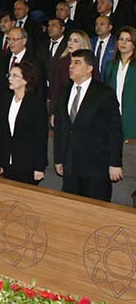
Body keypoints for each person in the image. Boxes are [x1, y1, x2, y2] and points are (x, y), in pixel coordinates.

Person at [54, 49, 123, 202]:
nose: (71, 66)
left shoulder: (104, 93)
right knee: (71, 210)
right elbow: (60, 129)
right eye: (71, 62)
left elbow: (115, 129)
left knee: (96, 212)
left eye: (77, 63)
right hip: (70, 165)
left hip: (96, 167)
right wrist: (59, 158)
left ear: (90, 68)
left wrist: (115, 162)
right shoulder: (63, 92)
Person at [0, 62, 48, 184]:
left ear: (25, 80)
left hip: (28, 164)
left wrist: (39, 167)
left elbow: (40, 137)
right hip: (8, 162)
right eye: (10, 75)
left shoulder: (36, 103)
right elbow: (2, 132)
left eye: (15, 76)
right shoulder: (6, 100)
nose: (10, 78)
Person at [104, 27, 136, 206]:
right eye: (121, 39)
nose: (123, 43)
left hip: (132, 123)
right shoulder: (111, 65)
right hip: (113, 122)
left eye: (128, 39)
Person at [48, 30, 95, 117]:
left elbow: (95, 85)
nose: (70, 43)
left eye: (75, 41)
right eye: (70, 40)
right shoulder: (61, 62)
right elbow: (55, 89)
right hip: (64, 107)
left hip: (87, 107)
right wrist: (53, 112)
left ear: (83, 44)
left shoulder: (90, 62)